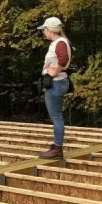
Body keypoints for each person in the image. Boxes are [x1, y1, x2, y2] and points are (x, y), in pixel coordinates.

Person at [37, 16, 72, 159]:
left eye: (44, 30)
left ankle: (57, 149)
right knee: (57, 116)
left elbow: (63, 59)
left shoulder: (59, 42)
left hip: (56, 82)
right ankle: (57, 145)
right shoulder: (61, 41)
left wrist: (54, 72)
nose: (43, 32)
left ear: (50, 30)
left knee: (56, 117)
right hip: (60, 81)